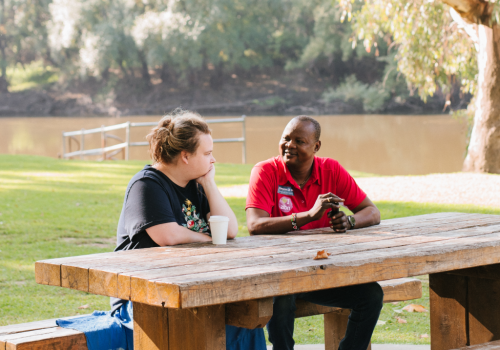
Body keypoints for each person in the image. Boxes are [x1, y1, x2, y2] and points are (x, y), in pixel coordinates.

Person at [111, 109, 266, 350]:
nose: (213, 160)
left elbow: (230, 230)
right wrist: (209, 238)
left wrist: (209, 184)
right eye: (207, 153)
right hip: (141, 300)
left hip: (188, 293)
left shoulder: (196, 186)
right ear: (185, 156)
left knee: (246, 322)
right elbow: (168, 235)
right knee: (219, 328)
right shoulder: (147, 185)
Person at [245, 115, 383, 350]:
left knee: (371, 295)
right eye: (286, 138)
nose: (289, 145)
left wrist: (348, 221)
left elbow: (371, 212)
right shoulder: (265, 171)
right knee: (282, 298)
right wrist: (309, 216)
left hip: (321, 272)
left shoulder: (331, 169)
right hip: (279, 272)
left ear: (316, 146)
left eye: (299, 141)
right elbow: (255, 225)